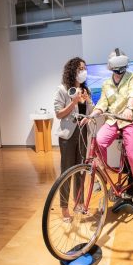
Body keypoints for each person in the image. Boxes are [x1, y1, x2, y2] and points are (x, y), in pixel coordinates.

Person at [83, 48, 133, 203]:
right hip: (113, 120)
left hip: (132, 120)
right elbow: (102, 104)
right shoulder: (106, 84)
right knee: (98, 141)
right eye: (116, 69)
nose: (119, 72)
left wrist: (129, 108)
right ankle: (103, 178)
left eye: (121, 69)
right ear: (111, 67)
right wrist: (92, 115)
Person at [54, 57, 93, 222]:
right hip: (68, 136)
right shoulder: (62, 89)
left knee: (81, 171)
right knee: (66, 172)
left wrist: (88, 101)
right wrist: (74, 102)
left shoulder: (86, 90)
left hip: (83, 134)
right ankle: (64, 208)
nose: (83, 72)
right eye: (79, 69)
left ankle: (79, 203)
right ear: (72, 71)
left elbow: (90, 112)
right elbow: (58, 113)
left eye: (84, 68)